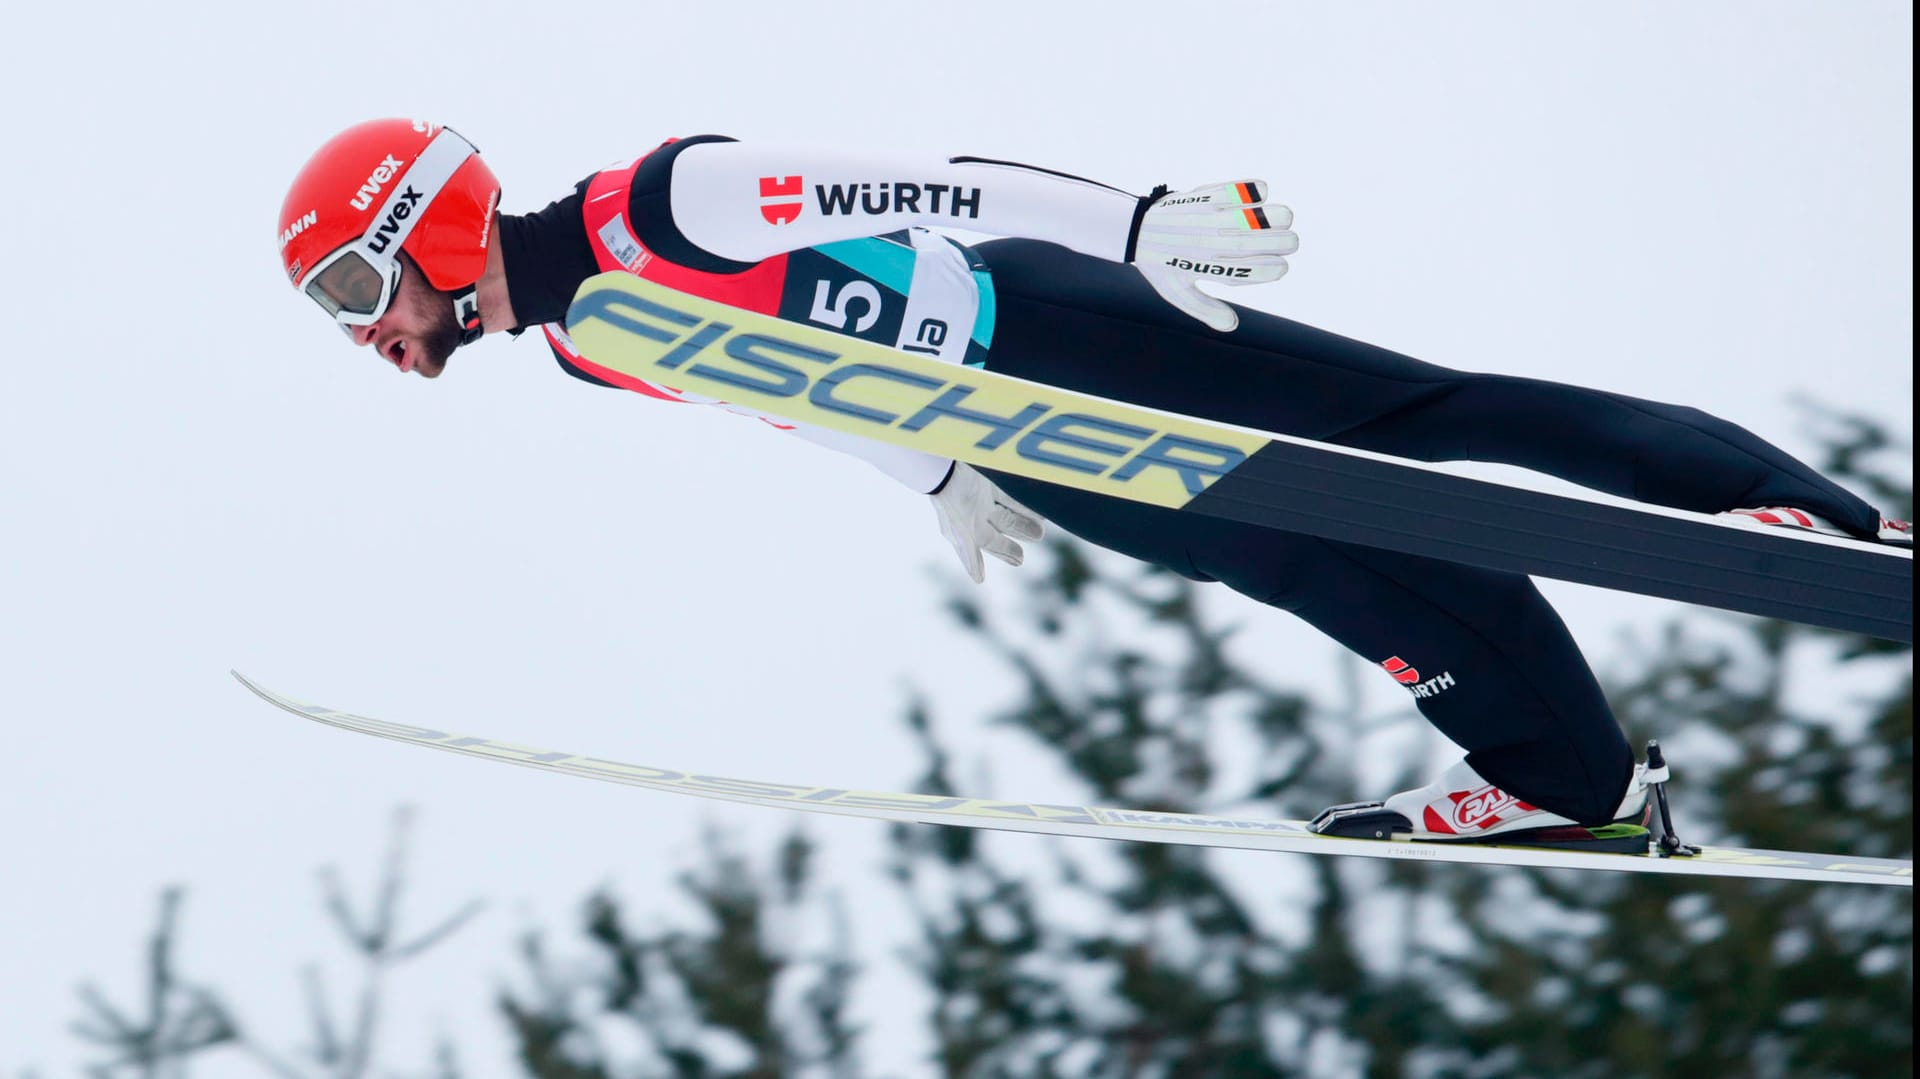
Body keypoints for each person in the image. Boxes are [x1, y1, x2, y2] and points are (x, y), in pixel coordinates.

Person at [276, 119, 1910, 846]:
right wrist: (938, 477)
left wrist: (1129, 221)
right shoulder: (589, 343)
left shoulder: (666, 202)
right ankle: (1565, 770)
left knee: (1419, 421)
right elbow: (790, 396)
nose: (371, 337)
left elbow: (938, 175)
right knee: (1351, 569)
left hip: (1060, 327)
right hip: (1047, 448)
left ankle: (1792, 513)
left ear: (427, 220)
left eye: (361, 294)